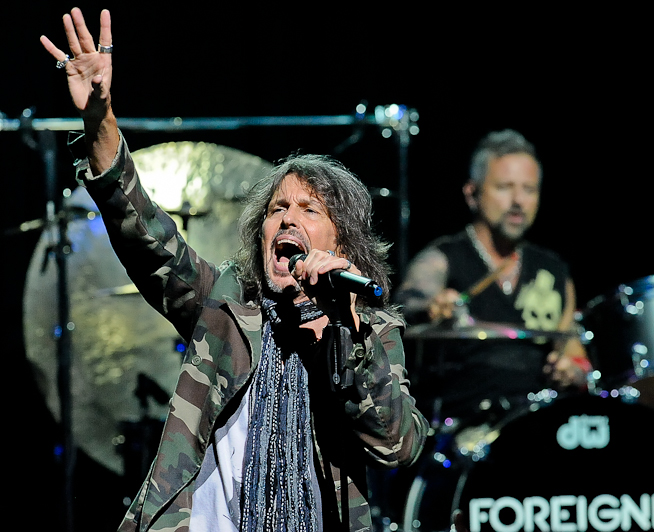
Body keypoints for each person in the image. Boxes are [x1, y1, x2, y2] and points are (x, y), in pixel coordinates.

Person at [40, 8, 428, 532]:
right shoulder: (225, 303)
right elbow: (147, 236)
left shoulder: (370, 332)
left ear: (344, 242)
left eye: (310, 210)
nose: (288, 217)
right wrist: (100, 122)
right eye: (277, 209)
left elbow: (399, 444)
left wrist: (347, 333)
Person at [395, 128, 590, 420]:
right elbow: (410, 302)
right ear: (472, 194)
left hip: (536, 420)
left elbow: (574, 352)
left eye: (529, 189)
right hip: (461, 422)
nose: (518, 201)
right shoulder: (442, 258)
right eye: (504, 187)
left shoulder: (554, 270)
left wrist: (573, 371)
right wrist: (434, 304)